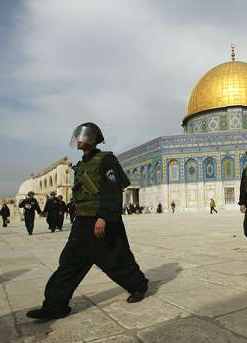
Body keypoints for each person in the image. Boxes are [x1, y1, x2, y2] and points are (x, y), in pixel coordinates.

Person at [26, 122, 148, 320]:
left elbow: (112, 190)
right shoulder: (81, 164)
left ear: (91, 138)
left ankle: (138, 285)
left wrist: (104, 217)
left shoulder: (106, 160)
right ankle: (55, 305)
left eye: (81, 137)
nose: (78, 141)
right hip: (83, 222)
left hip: (102, 220)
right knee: (69, 262)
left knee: (115, 258)